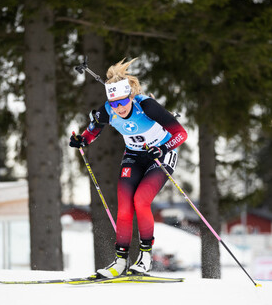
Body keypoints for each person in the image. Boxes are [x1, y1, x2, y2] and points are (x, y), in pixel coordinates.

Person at [69, 58, 188, 277]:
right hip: (133, 155)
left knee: (141, 201)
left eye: (122, 102)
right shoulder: (108, 110)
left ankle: (144, 257)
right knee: (124, 207)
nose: (119, 108)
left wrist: (161, 149)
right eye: (114, 103)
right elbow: (93, 130)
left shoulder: (147, 106)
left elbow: (181, 134)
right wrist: (82, 140)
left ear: (130, 97)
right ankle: (120, 262)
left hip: (161, 155)